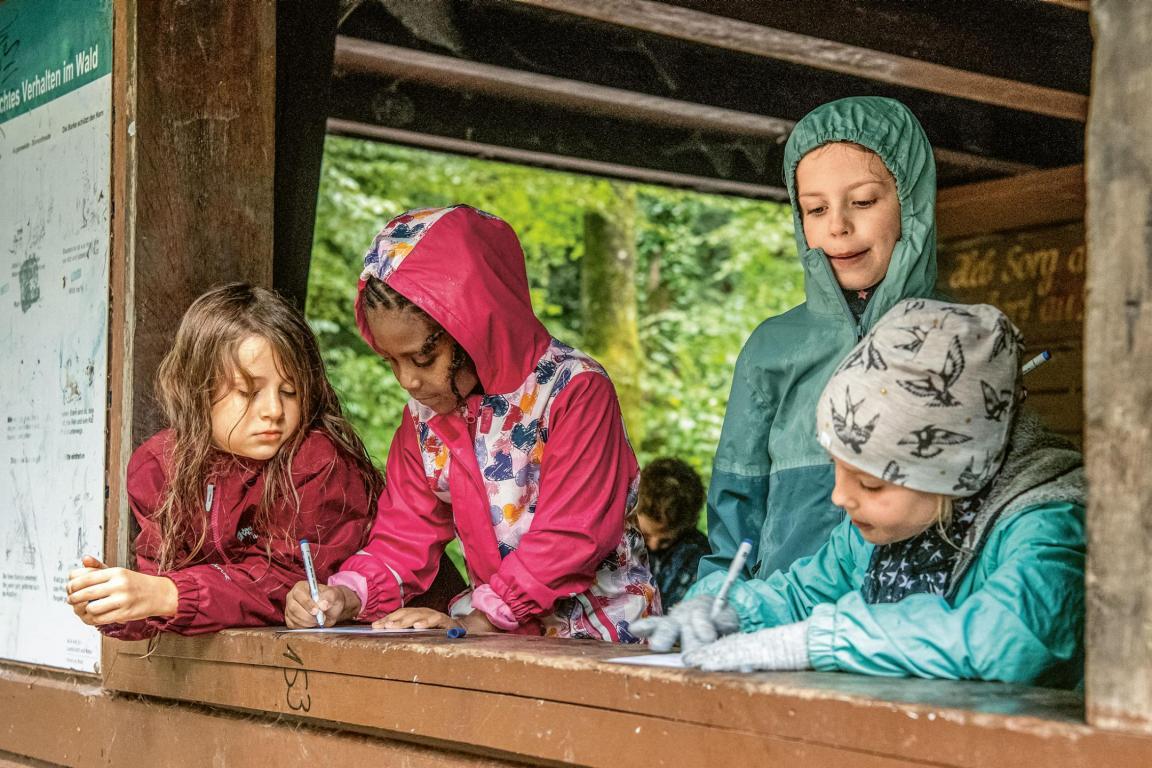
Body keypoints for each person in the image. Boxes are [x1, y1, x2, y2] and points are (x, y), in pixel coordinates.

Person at [636, 301, 1085, 688]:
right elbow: (804, 595)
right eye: (837, 468)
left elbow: (1007, 638)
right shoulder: (871, 531)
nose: (840, 496)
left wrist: (820, 641)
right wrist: (732, 610)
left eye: (870, 482)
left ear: (951, 472)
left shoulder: (1047, 523)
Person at [284, 205, 659, 640]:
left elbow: (573, 535)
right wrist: (345, 595)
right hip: (494, 634)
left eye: (422, 358)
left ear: (478, 327)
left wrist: (479, 621)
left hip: (603, 635)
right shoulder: (424, 420)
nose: (407, 380)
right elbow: (404, 536)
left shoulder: (575, 391)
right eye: (391, 361)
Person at [701, 96, 942, 582]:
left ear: (913, 204)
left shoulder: (959, 338)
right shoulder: (771, 347)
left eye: (864, 201)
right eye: (815, 208)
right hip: (782, 613)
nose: (838, 226)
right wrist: (717, 601)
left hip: (914, 615)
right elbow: (735, 513)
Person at [66, 283, 382, 639]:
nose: (274, 410)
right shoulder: (157, 467)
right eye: (248, 392)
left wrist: (166, 594)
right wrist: (115, 604)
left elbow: (288, 584)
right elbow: (162, 588)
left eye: (290, 391)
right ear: (196, 388)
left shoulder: (317, 462)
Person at [635, 458, 709, 607]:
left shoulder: (700, 557)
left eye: (666, 540)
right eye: (646, 535)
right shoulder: (620, 542)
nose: (654, 546)